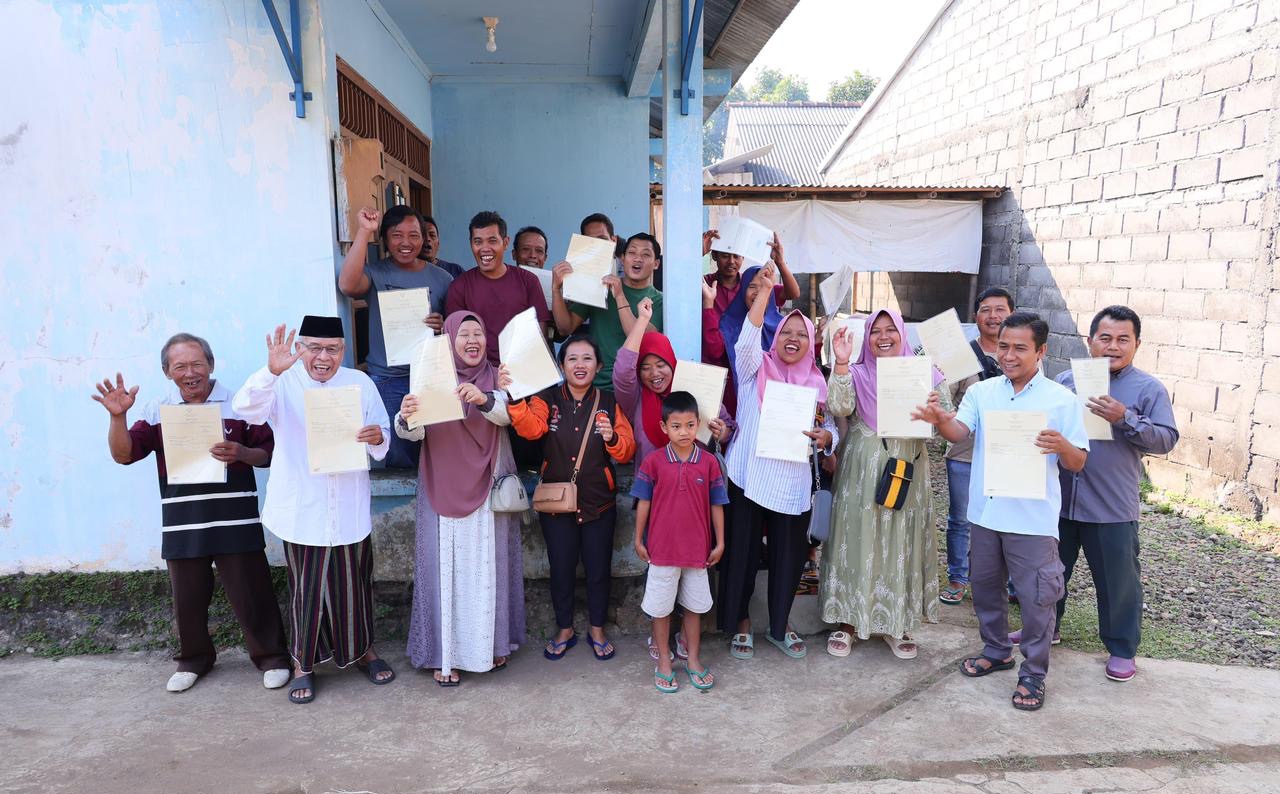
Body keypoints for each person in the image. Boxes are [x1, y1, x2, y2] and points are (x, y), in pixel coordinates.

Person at [91, 334, 290, 694]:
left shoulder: (239, 402)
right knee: (188, 596)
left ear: (211, 365)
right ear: (167, 372)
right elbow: (123, 455)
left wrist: (242, 453)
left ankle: (272, 657)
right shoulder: (157, 409)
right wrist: (118, 417)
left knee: (252, 590)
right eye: (179, 366)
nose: (190, 373)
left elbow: (270, 451)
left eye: (197, 363)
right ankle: (193, 659)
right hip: (183, 519)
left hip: (236, 517)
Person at [913, 312, 1088, 711]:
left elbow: (1078, 463)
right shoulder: (984, 392)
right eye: (1004, 346)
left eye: (1020, 348)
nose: (1009, 355)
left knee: (1036, 598)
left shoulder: (1061, 401)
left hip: (1033, 521)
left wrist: (1062, 446)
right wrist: (942, 420)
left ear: (1041, 351)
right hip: (986, 516)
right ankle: (996, 650)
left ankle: (1033, 674)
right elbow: (961, 433)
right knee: (986, 589)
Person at [232, 317, 395, 704]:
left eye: (333, 349)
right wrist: (270, 372)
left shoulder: (360, 382)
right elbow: (246, 411)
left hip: (349, 506)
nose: (324, 357)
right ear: (301, 348)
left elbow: (382, 436)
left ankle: (363, 651)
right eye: (315, 348)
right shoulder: (283, 381)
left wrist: (376, 437)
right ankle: (303, 664)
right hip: (302, 508)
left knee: (356, 584)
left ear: (343, 350)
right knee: (306, 590)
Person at [1046, 305, 1178, 683]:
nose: (1113, 346)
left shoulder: (1148, 389)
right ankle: (1046, 628)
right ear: (1090, 342)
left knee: (1118, 581)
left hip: (1111, 505)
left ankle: (1121, 649)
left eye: (1123, 339)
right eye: (1105, 338)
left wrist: (1124, 418)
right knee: (1051, 572)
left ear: (1137, 344)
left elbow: (1166, 439)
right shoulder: (1066, 381)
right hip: (1061, 499)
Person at [394, 312, 527, 686]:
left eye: (479, 333)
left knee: (487, 567)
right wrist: (405, 417)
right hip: (442, 483)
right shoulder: (430, 374)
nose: (472, 340)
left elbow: (511, 416)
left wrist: (485, 399)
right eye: (463, 333)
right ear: (449, 339)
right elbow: (411, 432)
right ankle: (444, 655)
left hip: (487, 486)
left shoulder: (499, 374)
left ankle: (491, 645)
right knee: (445, 572)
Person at [717, 266, 837, 660]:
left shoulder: (817, 382)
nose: (793, 339)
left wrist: (827, 438)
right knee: (743, 555)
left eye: (802, 334)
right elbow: (747, 340)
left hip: (791, 480)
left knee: (788, 558)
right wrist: (766, 292)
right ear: (775, 335)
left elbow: (829, 426)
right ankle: (741, 622)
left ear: (811, 343)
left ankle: (780, 624)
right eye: (786, 331)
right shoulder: (755, 369)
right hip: (749, 476)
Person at [821, 311, 947, 660]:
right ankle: (847, 621)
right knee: (858, 536)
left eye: (891, 329)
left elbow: (947, 421)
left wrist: (935, 411)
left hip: (908, 466)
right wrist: (843, 363)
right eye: (875, 331)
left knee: (900, 538)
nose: (883, 336)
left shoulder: (925, 372)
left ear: (903, 334)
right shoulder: (857, 372)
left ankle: (896, 622)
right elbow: (839, 406)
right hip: (862, 469)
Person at [509, 335, 636, 661]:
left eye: (587, 359)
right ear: (562, 365)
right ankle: (564, 628)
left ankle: (597, 629)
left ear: (598, 366)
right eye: (572, 359)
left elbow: (627, 450)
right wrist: (513, 397)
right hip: (555, 506)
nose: (579, 365)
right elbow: (530, 429)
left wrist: (612, 438)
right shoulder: (547, 399)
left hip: (599, 503)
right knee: (561, 569)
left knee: (598, 570)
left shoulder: (609, 402)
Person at [338, 205, 453, 469]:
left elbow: (457, 330)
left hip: (429, 380)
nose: (406, 242)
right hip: (388, 382)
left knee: (435, 452)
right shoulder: (377, 273)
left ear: (424, 239)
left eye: (414, 235)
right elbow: (347, 285)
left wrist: (444, 325)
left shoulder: (442, 278)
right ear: (385, 239)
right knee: (398, 454)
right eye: (397, 235)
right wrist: (365, 231)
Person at [633, 391, 729, 693]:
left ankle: (694, 659)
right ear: (664, 428)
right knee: (660, 610)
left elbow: (717, 504)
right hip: (661, 552)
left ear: (698, 424)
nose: (684, 432)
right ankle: (664, 660)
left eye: (689, 425)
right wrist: (638, 538)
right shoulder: (653, 462)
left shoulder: (709, 463)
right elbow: (643, 503)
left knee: (695, 608)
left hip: (697, 552)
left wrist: (720, 542)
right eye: (676, 426)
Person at [940, 287, 1012, 605]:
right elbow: (945, 398)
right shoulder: (961, 356)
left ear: (1012, 313)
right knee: (961, 518)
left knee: (1008, 518)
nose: (993, 316)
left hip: (1009, 455)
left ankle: (1007, 581)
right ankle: (958, 577)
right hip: (965, 453)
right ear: (976, 316)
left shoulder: (1022, 352)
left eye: (1000, 310)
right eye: (986, 309)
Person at [614, 297, 735, 464]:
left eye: (660, 364)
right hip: (653, 487)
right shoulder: (636, 399)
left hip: (696, 485)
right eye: (645, 367)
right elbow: (622, 370)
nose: (654, 373)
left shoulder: (695, 388)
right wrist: (642, 320)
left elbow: (729, 429)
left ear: (671, 362)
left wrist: (721, 432)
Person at [551, 232, 663, 390]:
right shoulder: (600, 287)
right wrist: (556, 289)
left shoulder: (659, 300)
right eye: (632, 253)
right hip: (594, 385)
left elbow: (641, 339)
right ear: (622, 259)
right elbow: (565, 327)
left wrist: (619, 296)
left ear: (656, 264)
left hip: (634, 388)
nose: (638, 259)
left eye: (646, 254)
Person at [444, 211, 551, 365]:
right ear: (471, 244)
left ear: (505, 242)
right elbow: (457, 341)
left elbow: (540, 333)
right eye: (478, 241)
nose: (485, 248)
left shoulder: (528, 281)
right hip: (479, 375)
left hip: (522, 370)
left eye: (492, 241)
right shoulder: (460, 286)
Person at [714, 265, 785, 415]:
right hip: (738, 403)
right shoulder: (729, 324)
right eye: (752, 286)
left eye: (764, 286)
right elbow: (715, 353)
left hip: (776, 406)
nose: (758, 292)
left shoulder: (783, 326)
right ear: (742, 291)